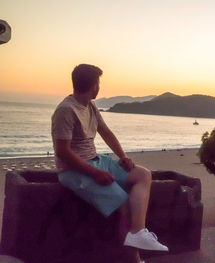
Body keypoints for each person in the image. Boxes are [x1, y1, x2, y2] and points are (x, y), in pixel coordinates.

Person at [51, 64, 168, 263]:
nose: (99, 87)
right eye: (98, 83)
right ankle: (134, 260)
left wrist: (123, 156)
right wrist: (95, 173)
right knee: (124, 202)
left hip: (97, 161)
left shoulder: (90, 105)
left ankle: (138, 232)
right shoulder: (66, 110)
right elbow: (62, 152)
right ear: (94, 85)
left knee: (143, 174)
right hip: (73, 171)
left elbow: (105, 132)